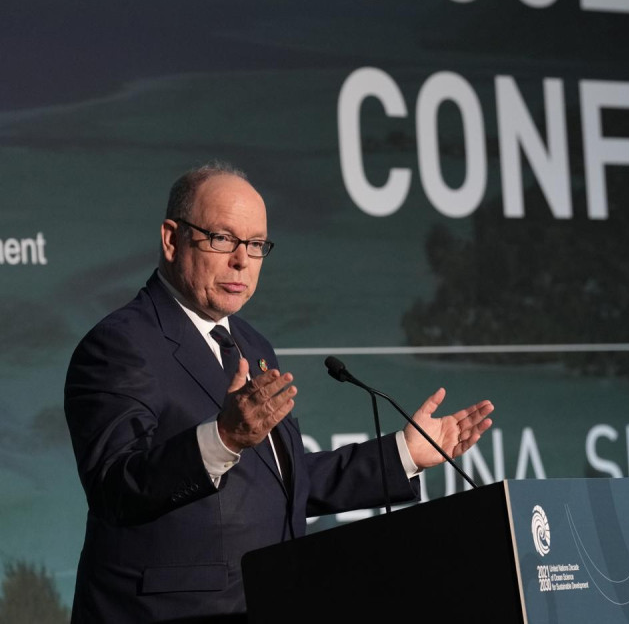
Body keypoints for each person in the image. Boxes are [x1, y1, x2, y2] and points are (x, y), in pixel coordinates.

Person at [63, 163, 494, 622]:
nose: (241, 261)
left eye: (255, 245)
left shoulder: (251, 344)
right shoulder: (120, 344)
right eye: (223, 238)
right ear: (172, 239)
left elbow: (282, 482)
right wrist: (223, 439)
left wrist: (403, 454)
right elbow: (116, 486)